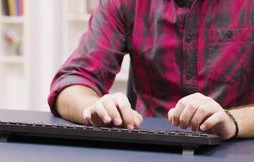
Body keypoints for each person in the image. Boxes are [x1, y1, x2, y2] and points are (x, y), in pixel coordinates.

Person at [48, 0, 254, 140]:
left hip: (238, 150)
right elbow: (71, 81)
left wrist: (232, 121)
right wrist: (96, 107)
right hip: (150, 155)